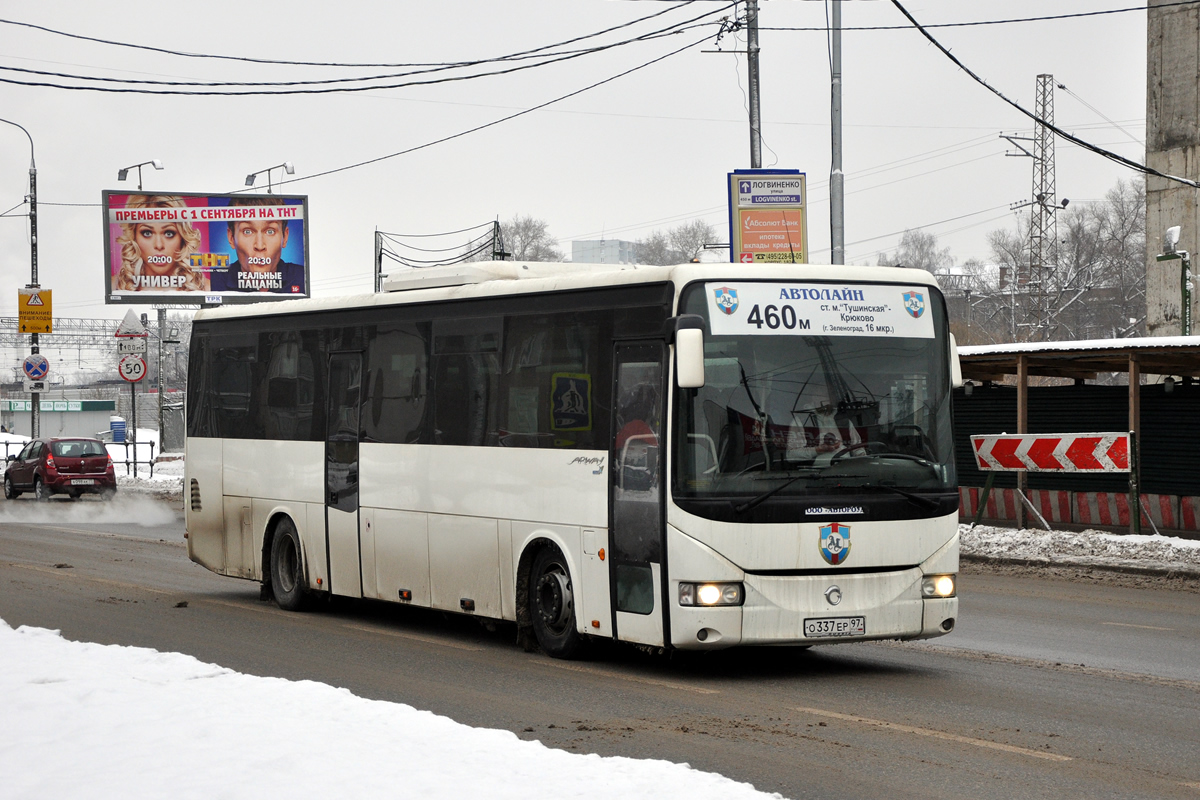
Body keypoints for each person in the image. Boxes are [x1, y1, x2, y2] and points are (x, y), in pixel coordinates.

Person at [208, 197, 305, 293]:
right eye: (247, 231)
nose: (259, 246)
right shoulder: (211, 283)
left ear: (285, 237)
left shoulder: (302, 278)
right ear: (231, 238)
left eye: (270, 231)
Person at [114, 195, 208, 292]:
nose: (159, 245)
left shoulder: (208, 288)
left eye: (169, 233)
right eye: (147, 233)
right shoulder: (113, 287)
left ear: (182, 237)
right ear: (133, 236)